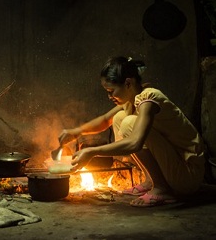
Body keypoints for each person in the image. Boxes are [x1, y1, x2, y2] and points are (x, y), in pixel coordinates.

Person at [58, 56, 206, 207]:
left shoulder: (149, 98)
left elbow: (135, 143)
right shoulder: (133, 99)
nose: (109, 97)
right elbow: (104, 120)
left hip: (187, 175)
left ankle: (162, 189)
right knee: (119, 118)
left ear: (128, 83)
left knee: (129, 124)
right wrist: (76, 132)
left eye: (111, 91)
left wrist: (92, 152)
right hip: (174, 167)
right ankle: (151, 181)